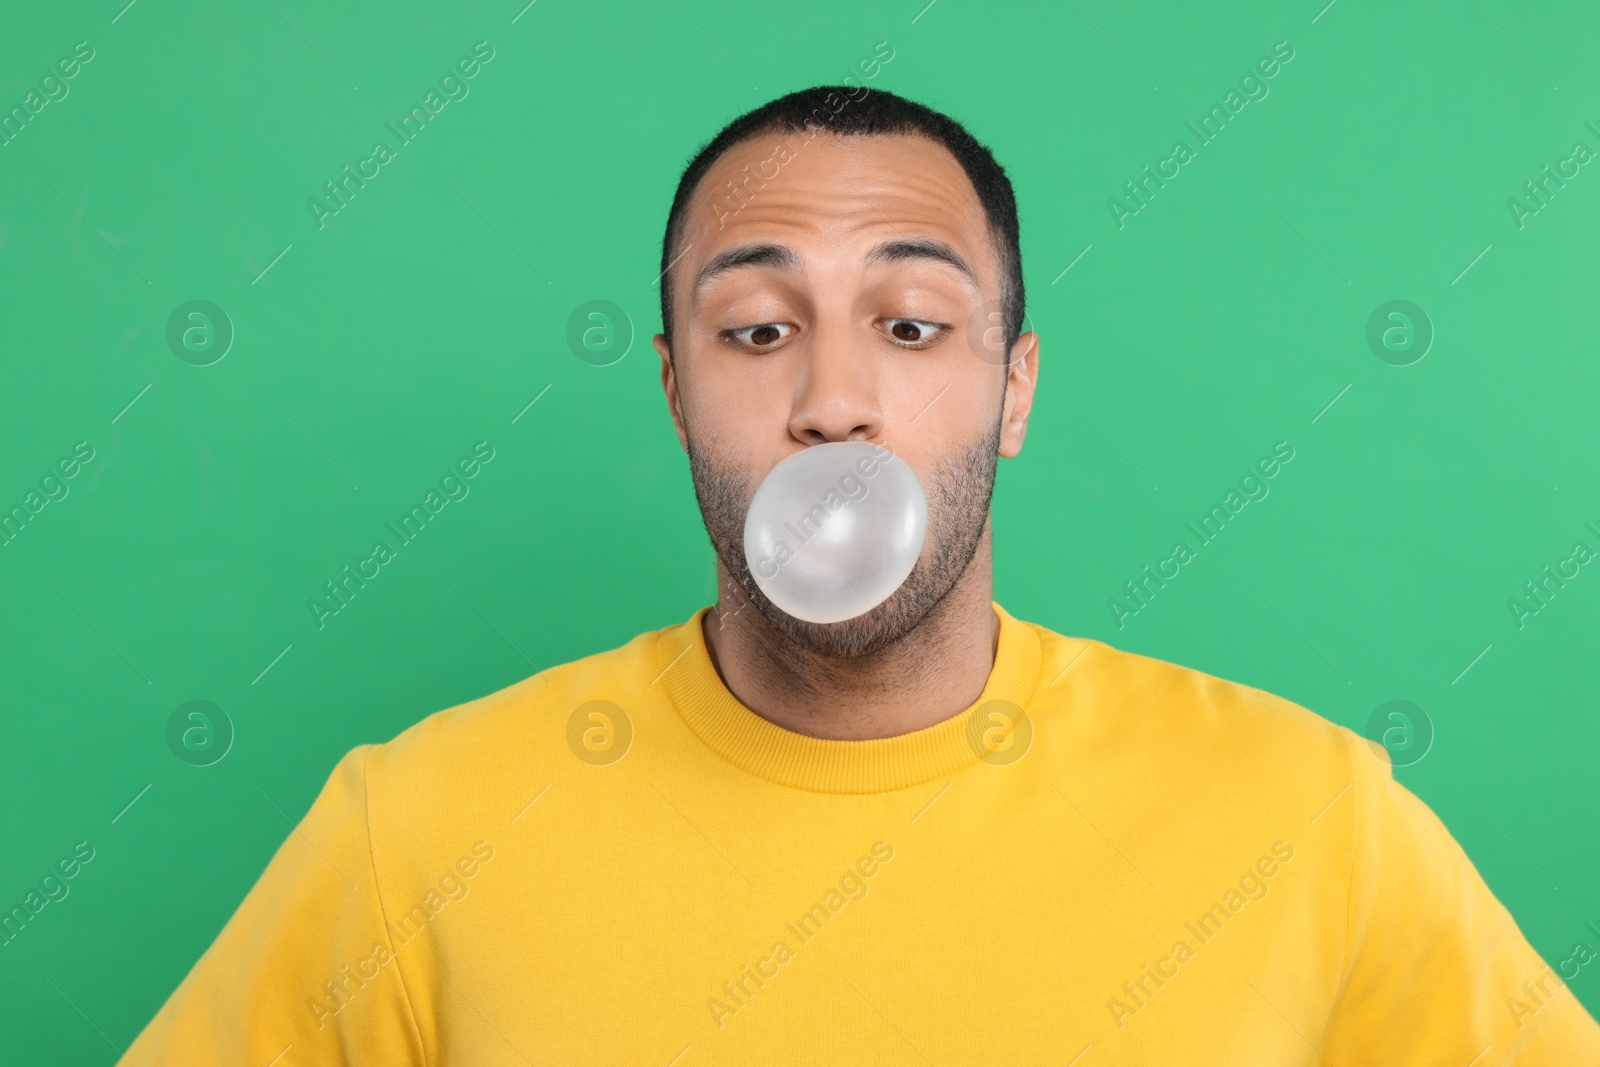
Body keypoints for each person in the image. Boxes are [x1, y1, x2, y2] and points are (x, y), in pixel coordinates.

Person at [122, 84, 1600, 1064]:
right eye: (758, 330)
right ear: (675, 387)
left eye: (911, 326)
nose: (835, 401)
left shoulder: (1307, 819)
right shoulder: (419, 826)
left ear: (1013, 391)